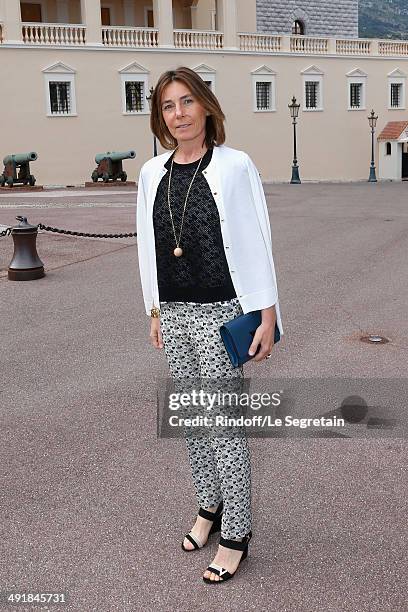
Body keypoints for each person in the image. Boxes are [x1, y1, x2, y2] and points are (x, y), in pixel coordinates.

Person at [136, 66, 283, 584]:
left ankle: (236, 534)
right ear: (161, 116)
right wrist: (154, 308)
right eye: (168, 106)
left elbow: (257, 239)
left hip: (222, 313)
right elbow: (147, 246)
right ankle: (208, 507)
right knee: (193, 422)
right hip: (175, 313)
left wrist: (267, 314)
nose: (178, 114)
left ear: (205, 107)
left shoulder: (234, 165)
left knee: (223, 426)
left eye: (186, 102)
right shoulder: (152, 172)